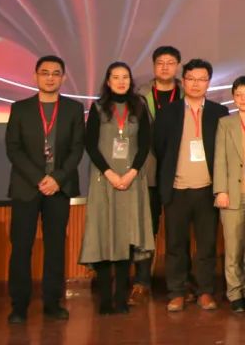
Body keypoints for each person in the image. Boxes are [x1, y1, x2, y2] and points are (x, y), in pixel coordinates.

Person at [4, 55, 85, 324]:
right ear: (35, 76)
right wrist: (40, 178)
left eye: (56, 73)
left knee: (55, 247)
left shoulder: (74, 109)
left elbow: (77, 149)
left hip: (59, 188)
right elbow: (13, 148)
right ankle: (19, 305)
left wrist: (57, 179)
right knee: (21, 247)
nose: (50, 77)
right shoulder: (20, 108)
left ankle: (53, 303)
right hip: (26, 187)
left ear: (63, 78)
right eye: (45, 72)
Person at [154, 58, 229, 312]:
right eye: (191, 79)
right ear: (183, 81)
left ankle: (205, 291)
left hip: (207, 189)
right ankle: (177, 291)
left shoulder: (219, 113)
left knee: (207, 245)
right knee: (175, 245)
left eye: (202, 79)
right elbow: (160, 147)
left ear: (209, 82)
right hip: (177, 189)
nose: (196, 84)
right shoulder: (168, 112)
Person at [80, 62, 154, 314]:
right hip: (104, 180)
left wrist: (131, 173)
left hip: (132, 181)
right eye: (116, 77)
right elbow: (90, 145)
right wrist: (110, 173)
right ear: (108, 81)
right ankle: (104, 300)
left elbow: (145, 144)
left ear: (130, 81)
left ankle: (121, 298)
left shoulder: (139, 107)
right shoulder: (98, 108)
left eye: (125, 77)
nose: (121, 81)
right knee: (103, 235)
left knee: (125, 238)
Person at [130, 44, 182, 304]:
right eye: (160, 62)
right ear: (153, 66)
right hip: (148, 170)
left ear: (178, 66)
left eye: (170, 62)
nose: (165, 67)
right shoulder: (139, 96)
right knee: (145, 227)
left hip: (179, 171)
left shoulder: (186, 93)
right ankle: (142, 281)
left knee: (178, 229)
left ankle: (180, 282)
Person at [213, 76, 245, 313]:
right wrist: (221, 190)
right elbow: (219, 159)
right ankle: (234, 292)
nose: (243, 98)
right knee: (233, 248)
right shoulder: (226, 123)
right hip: (232, 193)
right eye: (238, 94)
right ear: (233, 98)